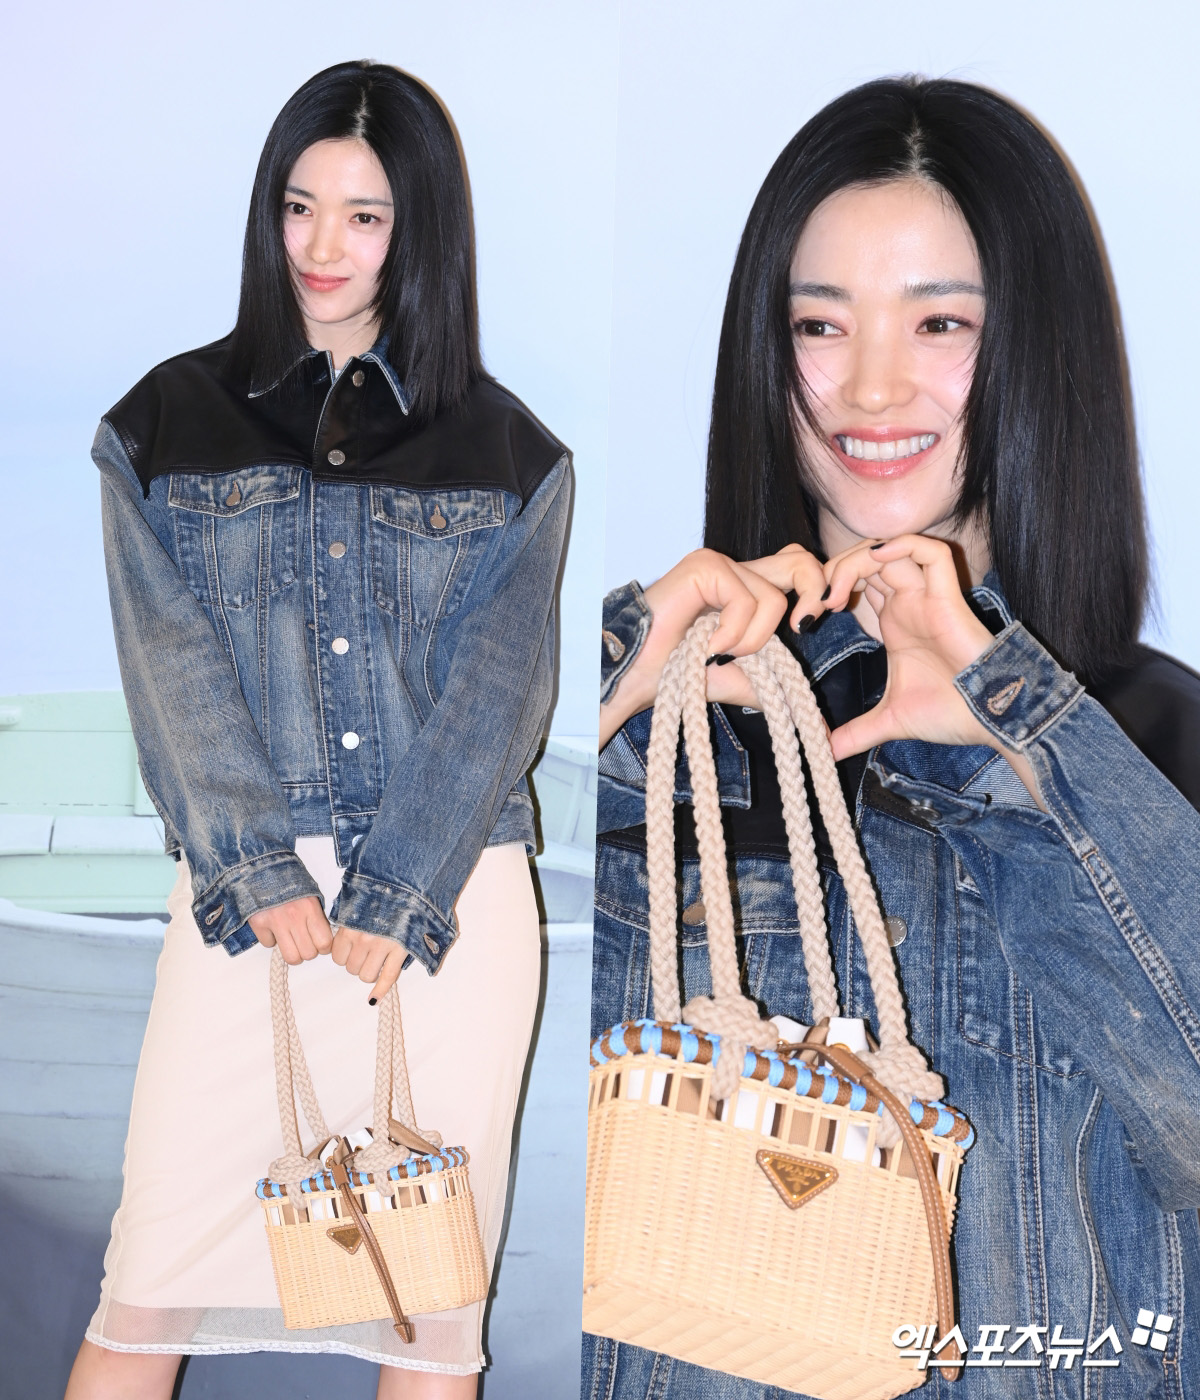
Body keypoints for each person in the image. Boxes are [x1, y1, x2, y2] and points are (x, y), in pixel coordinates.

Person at [588, 77, 1200, 1400]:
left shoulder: (1148, 734)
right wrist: (607, 683)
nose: (870, 388)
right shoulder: (671, 716)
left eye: (940, 323)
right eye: (820, 324)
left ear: (1038, 351)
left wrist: (1026, 745)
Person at [66, 60, 571, 1400]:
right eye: (300, 207)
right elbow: (166, 663)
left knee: (429, 1313)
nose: (323, 246)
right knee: (145, 1292)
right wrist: (254, 866)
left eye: (364, 215)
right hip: (249, 907)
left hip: (449, 909)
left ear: (418, 232)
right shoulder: (160, 424)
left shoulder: (511, 451)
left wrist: (400, 890)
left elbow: (500, 692)